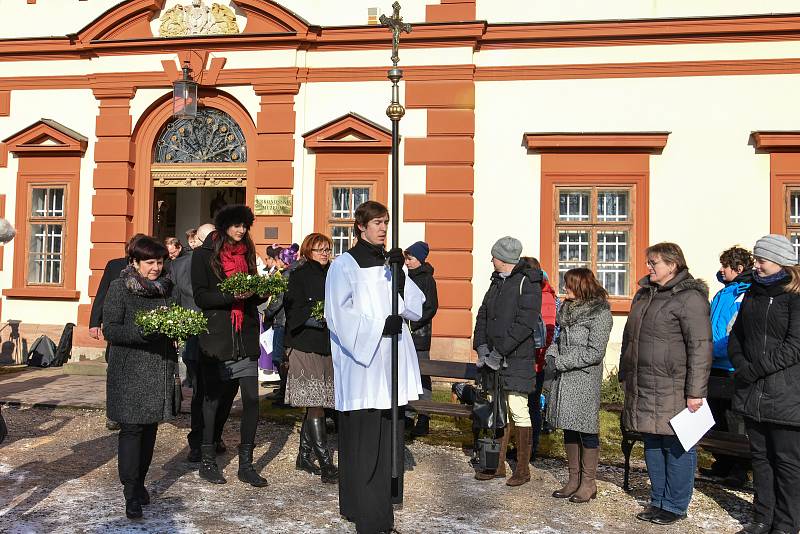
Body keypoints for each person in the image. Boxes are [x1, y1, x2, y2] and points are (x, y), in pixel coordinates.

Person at [325, 200, 425, 534]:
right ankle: (367, 515)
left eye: (386, 222)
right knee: (364, 443)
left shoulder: (390, 263)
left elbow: (415, 308)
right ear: (361, 226)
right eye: (377, 223)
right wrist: (378, 328)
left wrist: (401, 277)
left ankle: (373, 509)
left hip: (390, 364)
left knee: (387, 441)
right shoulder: (345, 265)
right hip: (363, 367)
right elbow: (337, 314)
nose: (383, 228)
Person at [620, 242, 712, 525]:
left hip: (675, 387)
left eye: (654, 262)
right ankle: (658, 499)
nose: (648, 267)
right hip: (645, 384)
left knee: (677, 445)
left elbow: (700, 347)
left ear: (672, 265)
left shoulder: (690, 298)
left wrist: (695, 392)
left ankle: (675, 504)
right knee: (652, 443)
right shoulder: (645, 294)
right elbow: (630, 339)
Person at [191, 205, 268, 488]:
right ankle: (207, 459)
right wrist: (229, 295)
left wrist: (259, 292)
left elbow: (255, 292)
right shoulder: (203, 256)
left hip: (245, 336)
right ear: (224, 227)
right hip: (217, 337)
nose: (242, 230)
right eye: (237, 225)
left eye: (245, 225)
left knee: (251, 400)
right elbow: (201, 296)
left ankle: (246, 465)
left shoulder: (248, 252)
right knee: (213, 401)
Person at [729, 235, 800, 534]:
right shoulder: (753, 293)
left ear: (781, 261)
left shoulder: (795, 296)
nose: (755, 264)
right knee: (760, 459)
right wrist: (742, 365)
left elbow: (795, 347)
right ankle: (762, 518)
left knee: (786, 463)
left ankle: (786, 523)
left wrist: (754, 370)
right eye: (756, 259)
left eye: (761, 260)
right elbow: (737, 336)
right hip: (753, 393)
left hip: (786, 394)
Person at [103, 236, 177, 520]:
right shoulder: (120, 288)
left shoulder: (166, 289)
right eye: (149, 262)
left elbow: (175, 318)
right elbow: (110, 329)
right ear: (134, 263)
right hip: (129, 371)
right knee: (132, 430)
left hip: (159, 368)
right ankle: (131, 492)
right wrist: (142, 333)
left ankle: (140, 481)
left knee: (149, 430)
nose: (156, 267)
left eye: (159, 261)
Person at [473, 236, 543, 487]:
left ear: (502, 259)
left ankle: (522, 470)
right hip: (493, 360)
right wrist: (481, 347)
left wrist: (499, 352)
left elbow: (524, 324)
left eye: (493, 256)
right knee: (497, 410)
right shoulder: (496, 282)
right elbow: (483, 314)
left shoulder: (528, 283)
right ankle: (496, 465)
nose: (491, 260)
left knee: (518, 410)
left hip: (516, 360)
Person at [545, 268, 612, 503]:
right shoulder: (566, 310)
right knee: (569, 427)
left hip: (584, 377)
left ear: (581, 285)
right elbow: (558, 338)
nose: (565, 289)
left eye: (569, 284)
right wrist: (551, 356)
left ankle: (588, 482)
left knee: (586, 429)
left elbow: (595, 352)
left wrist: (561, 362)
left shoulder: (600, 313)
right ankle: (573, 479)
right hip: (564, 377)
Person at [284, 233, 338, 483]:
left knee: (317, 402)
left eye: (327, 249)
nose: (325, 253)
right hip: (305, 344)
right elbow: (292, 308)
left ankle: (303, 456)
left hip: (326, 346)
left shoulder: (333, 275)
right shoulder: (299, 274)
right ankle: (326, 463)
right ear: (308, 251)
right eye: (319, 250)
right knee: (315, 401)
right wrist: (315, 318)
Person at [169, 223, 222, 463]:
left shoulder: (219, 261)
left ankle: (206, 438)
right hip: (199, 335)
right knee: (205, 391)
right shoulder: (185, 264)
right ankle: (203, 440)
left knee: (210, 391)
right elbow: (174, 299)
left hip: (210, 335)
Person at [704, 246, 753, 488]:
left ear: (739, 268)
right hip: (713, 362)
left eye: (726, 266)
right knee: (716, 415)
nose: (721, 270)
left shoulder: (745, 293)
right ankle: (721, 462)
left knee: (736, 419)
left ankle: (739, 468)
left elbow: (735, 333)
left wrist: (715, 350)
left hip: (732, 365)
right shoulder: (723, 293)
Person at [89, 233, 146, 432]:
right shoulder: (115, 265)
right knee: (115, 372)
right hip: (118, 328)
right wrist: (94, 322)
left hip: (140, 329)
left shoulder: (151, 268)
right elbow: (102, 293)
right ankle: (113, 413)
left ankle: (135, 411)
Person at [522, 256, 557, 464]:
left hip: (536, 360)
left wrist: (539, 355)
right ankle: (522, 446)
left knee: (532, 405)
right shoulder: (532, 292)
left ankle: (531, 448)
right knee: (520, 405)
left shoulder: (544, 295)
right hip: (525, 360)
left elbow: (549, 331)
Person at [404, 241, 438, 437]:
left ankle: (424, 416)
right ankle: (408, 414)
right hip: (406, 334)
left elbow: (431, 307)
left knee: (423, 375)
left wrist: (413, 323)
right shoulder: (407, 277)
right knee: (406, 375)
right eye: (407, 258)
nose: (407, 262)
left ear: (420, 259)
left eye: (410, 258)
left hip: (419, 337)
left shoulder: (427, 279)